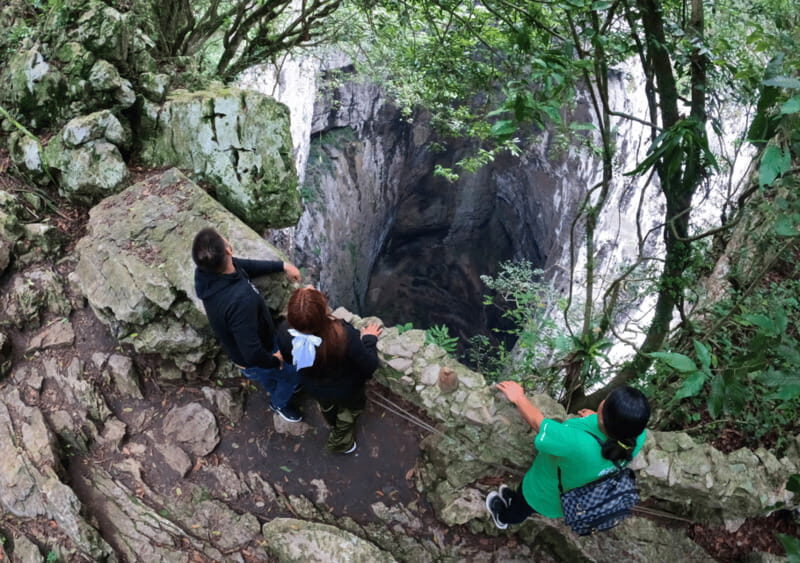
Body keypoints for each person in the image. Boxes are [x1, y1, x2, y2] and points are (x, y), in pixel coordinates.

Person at [485, 382, 650, 529]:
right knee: (520, 498)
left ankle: (504, 518)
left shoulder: (577, 443)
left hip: (543, 494)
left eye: (606, 401)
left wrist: (519, 398)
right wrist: (596, 418)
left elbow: (538, 423)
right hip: (569, 495)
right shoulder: (637, 435)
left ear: (604, 417)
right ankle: (513, 501)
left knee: (522, 508)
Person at [192, 227, 304, 422]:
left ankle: (275, 385)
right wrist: (275, 360)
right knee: (291, 375)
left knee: (271, 378)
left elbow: (243, 266)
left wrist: (282, 265)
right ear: (228, 249)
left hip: (248, 350)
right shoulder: (240, 301)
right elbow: (253, 353)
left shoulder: (208, 273)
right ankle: (279, 403)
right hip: (259, 356)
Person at [276, 287, 382, 453]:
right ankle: (341, 442)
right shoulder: (344, 335)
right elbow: (370, 365)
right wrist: (369, 339)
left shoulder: (284, 332)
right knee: (349, 412)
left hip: (314, 386)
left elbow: (290, 360)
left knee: (327, 406)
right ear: (324, 312)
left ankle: (331, 421)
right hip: (347, 389)